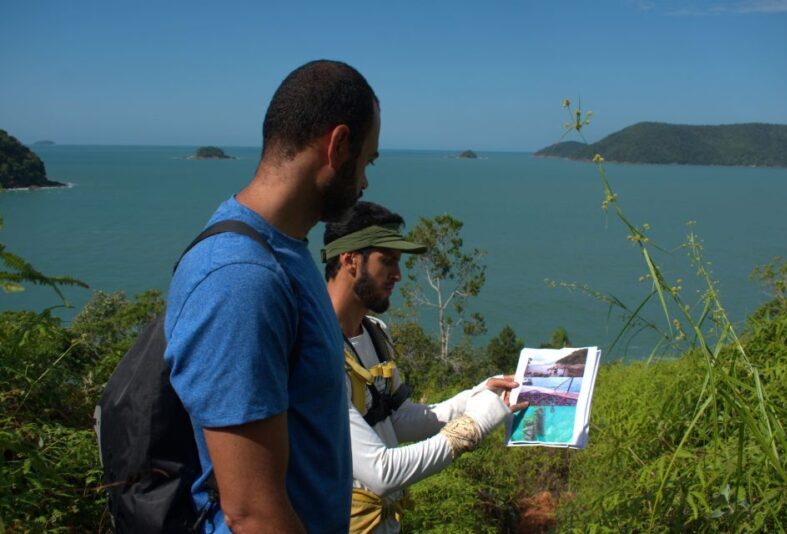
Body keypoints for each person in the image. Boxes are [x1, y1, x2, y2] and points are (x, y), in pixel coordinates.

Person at [164, 60, 380, 533]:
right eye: (366, 160)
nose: (364, 180)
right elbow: (253, 512)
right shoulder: (240, 279)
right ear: (338, 145)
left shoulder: (287, 250)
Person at [323, 201, 527, 533]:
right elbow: (381, 472)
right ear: (350, 260)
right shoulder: (317, 352)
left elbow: (396, 420)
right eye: (387, 262)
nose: (398, 275)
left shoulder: (375, 334)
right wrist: (472, 427)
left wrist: (474, 396)